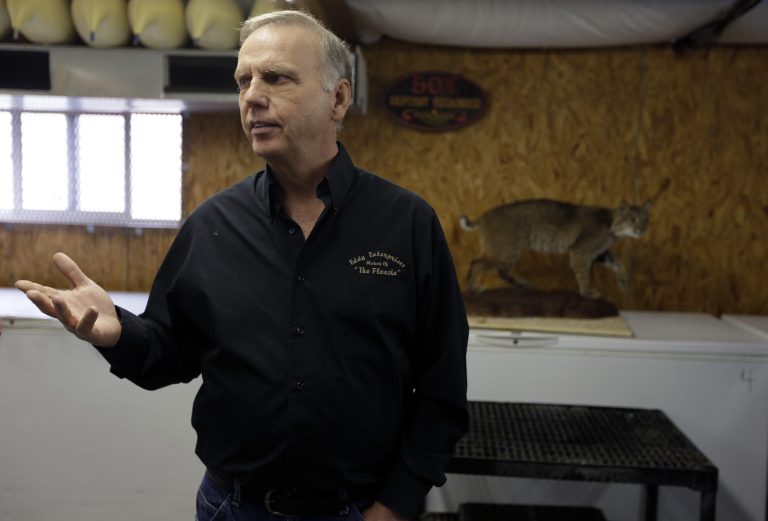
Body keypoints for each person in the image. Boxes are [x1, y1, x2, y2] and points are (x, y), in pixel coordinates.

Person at [15, 10, 468, 521]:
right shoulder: (214, 225)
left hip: (360, 510)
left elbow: (442, 385)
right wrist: (119, 333)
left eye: (276, 77)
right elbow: (171, 353)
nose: (252, 96)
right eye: (243, 80)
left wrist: (396, 504)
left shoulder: (406, 224)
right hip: (231, 508)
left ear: (338, 99)